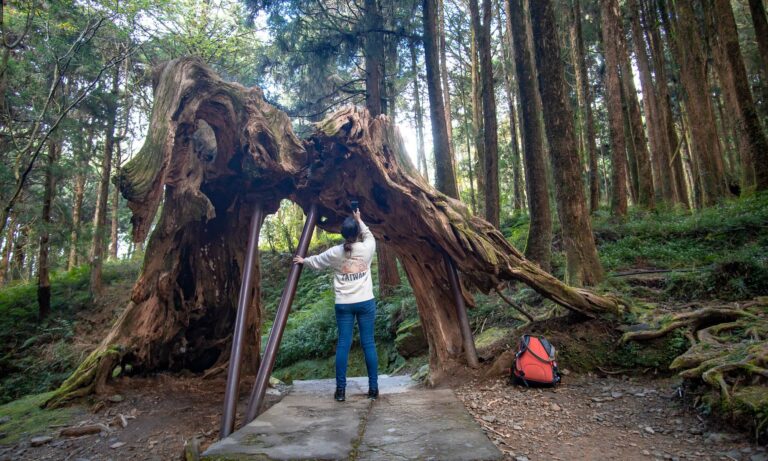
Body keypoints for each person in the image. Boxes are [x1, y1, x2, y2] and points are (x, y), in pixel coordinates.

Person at [293, 209, 379, 402]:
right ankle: (373, 389)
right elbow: (369, 235)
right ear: (357, 233)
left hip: (344, 305)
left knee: (343, 345)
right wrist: (360, 219)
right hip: (365, 302)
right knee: (368, 344)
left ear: (342, 234)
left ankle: (340, 391)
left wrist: (303, 261)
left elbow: (316, 262)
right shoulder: (367, 248)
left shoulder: (335, 253)